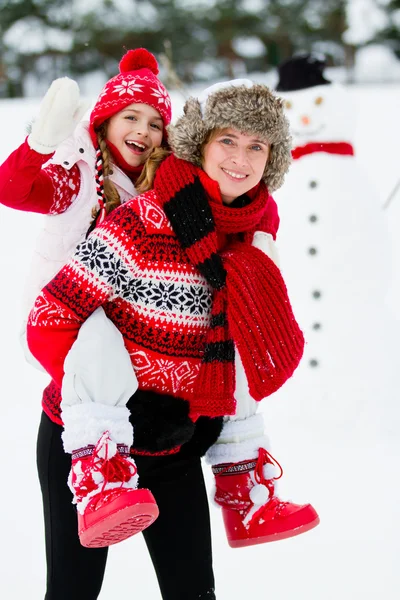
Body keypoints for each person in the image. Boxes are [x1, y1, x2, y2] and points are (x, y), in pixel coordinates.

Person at [26, 78, 319, 600]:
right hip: (90, 440)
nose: (241, 157)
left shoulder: (250, 236)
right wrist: (111, 408)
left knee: (193, 593)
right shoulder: (143, 220)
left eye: (257, 146)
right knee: (73, 593)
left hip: (175, 447)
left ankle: (243, 480)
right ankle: (102, 475)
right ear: (199, 144)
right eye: (228, 140)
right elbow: (51, 314)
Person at [0, 49, 173, 547]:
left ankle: (243, 471)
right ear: (104, 120)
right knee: (96, 338)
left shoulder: (163, 187)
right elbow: (15, 189)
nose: (142, 130)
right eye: (130, 117)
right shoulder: (77, 178)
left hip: (137, 343)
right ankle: (99, 478)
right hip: (63, 323)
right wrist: (39, 144)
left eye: (155, 123)